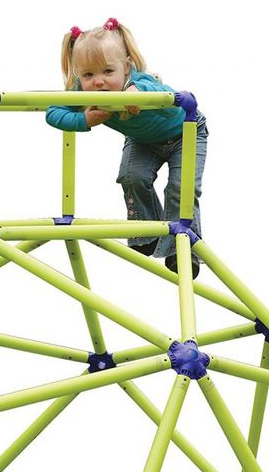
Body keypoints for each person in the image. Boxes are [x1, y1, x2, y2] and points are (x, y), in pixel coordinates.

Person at [46, 18, 208, 278]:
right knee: (132, 176)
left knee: (181, 187)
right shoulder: (82, 93)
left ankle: (184, 249)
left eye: (108, 72)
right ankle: (146, 233)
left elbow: (174, 107)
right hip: (142, 142)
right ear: (79, 76)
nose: (98, 82)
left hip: (185, 134)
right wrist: (83, 120)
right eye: (89, 75)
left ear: (126, 67)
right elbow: (53, 112)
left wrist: (144, 99)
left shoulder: (140, 84)